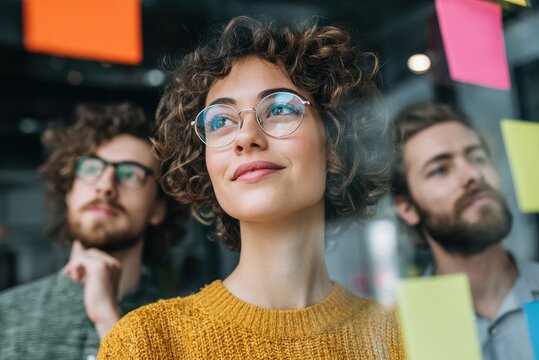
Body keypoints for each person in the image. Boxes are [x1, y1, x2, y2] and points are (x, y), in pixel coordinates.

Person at [98, 16, 405, 359]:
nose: (245, 137)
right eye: (220, 122)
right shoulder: (148, 343)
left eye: (278, 109)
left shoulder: (404, 340)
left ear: (334, 145)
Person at [0, 103, 187, 360]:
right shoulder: (5, 315)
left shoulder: (186, 328)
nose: (105, 186)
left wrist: (109, 319)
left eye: (130, 174)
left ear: (157, 208)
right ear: (69, 191)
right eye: (91, 168)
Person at [390, 101, 539, 360]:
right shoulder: (399, 337)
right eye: (440, 169)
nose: (472, 174)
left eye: (477, 158)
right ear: (407, 208)